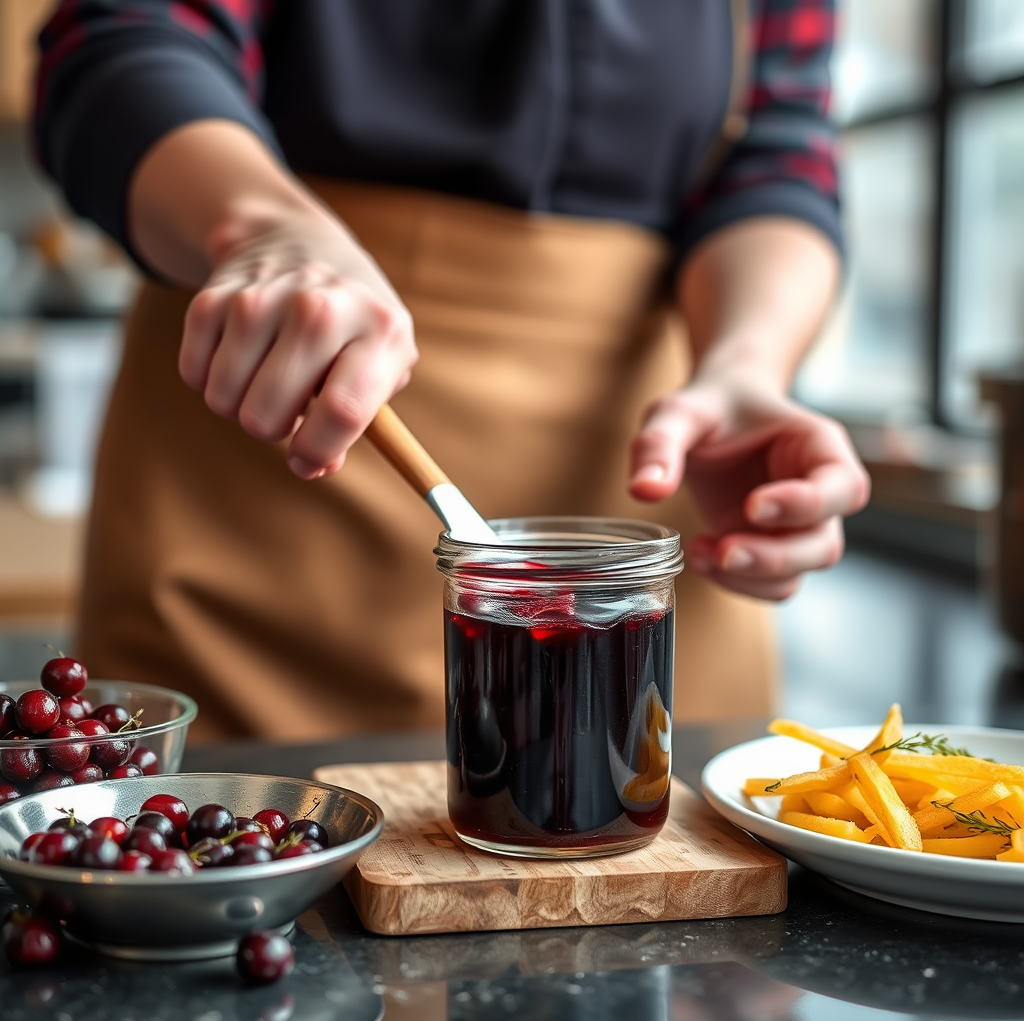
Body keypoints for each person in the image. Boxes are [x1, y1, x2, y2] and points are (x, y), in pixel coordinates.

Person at [34, 1, 869, 743]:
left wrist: (745, 365)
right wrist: (263, 228)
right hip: (268, 438)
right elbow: (128, 31)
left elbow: (777, 152)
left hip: (646, 468)